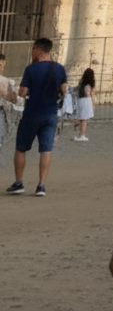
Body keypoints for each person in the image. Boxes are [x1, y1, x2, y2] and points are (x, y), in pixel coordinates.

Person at [7, 37, 67, 196]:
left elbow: (23, 92)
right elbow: (64, 90)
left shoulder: (31, 69)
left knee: (21, 148)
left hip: (32, 113)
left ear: (37, 50)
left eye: (33, 49)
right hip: (51, 114)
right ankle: (41, 186)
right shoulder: (60, 68)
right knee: (46, 149)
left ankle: (19, 182)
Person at [73, 67, 96, 141]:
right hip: (86, 101)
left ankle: (80, 134)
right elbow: (89, 95)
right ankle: (82, 135)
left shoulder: (81, 84)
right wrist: (92, 104)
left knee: (81, 118)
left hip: (80, 101)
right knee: (84, 120)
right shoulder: (89, 85)